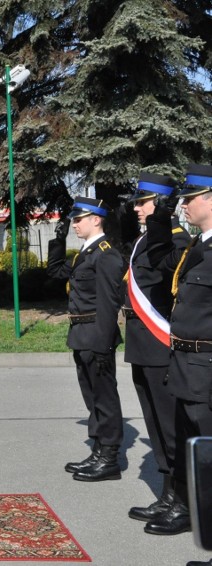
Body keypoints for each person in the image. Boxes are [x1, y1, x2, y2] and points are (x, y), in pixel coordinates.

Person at [143, 163, 212, 536]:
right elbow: (158, 258)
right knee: (190, 447)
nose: (184, 205)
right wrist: (163, 212)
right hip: (185, 364)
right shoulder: (195, 248)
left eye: (189, 199)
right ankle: (187, 510)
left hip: (207, 365)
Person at [123, 173, 191, 526]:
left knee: (170, 425)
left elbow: (168, 278)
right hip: (142, 346)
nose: (136, 208)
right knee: (154, 423)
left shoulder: (175, 240)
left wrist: (163, 223)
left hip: (160, 344)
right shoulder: (142, 240)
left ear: (161, 204)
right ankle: (167, 495)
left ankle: (182, 500)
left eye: (142, 202)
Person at [47, 196, 125, 481]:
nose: (74, 224)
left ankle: (110, 458)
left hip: (95, 334)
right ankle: (98, 451)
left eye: (78, 220)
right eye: (72, 220)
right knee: (93, 399)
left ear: (96, 219)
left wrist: (104, 344)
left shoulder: (105, 254)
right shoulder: (86, 253)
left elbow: (109, 303)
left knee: (105, 399)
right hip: (81, 334)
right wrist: (58, 240)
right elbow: (56, 272)